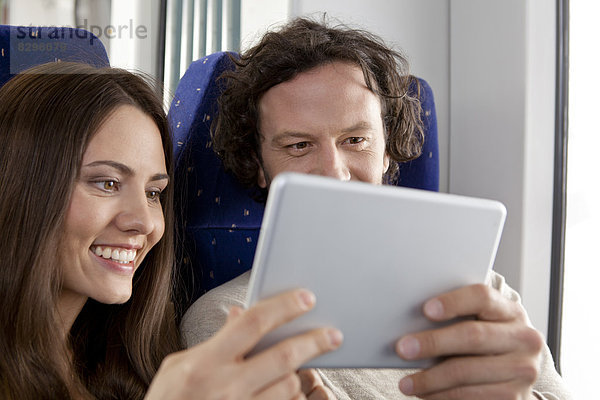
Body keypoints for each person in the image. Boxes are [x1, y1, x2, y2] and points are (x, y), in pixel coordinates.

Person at [180, 17, 573, 399]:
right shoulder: (229, 322)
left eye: (355, 140)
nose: (334, 174)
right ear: (259, 165)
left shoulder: (479, 290)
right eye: (299, 145)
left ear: (387, 153)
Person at [0, 61, 342, 399]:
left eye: (153, 193)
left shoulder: (128, 366)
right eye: (107, 183)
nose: (145, 222)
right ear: (20, 186)